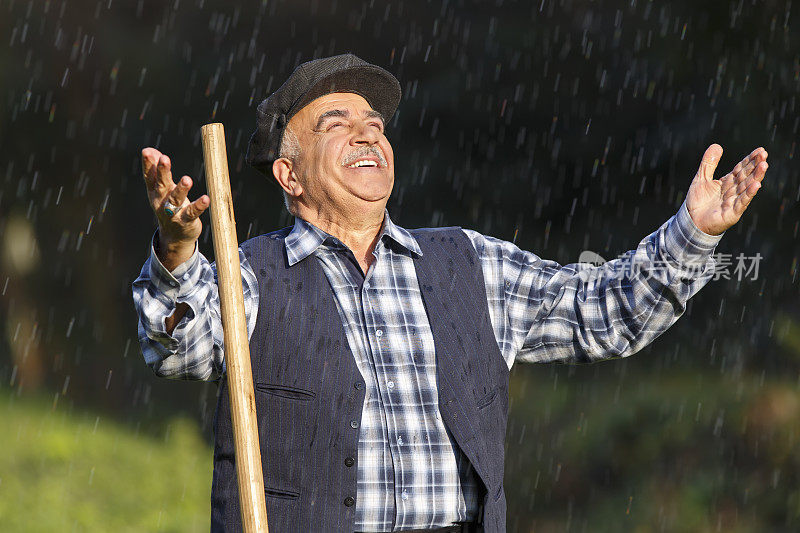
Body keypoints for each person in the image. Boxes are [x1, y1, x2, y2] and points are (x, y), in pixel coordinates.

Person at [132, 54, 768, 533]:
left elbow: (604, 313)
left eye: (374, 123)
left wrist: (692, 235)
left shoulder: (469, 262)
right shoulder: (251, 276)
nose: (366, 134)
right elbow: (178, 347)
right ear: (287, 174)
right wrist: (177, 252)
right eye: (336, 123)